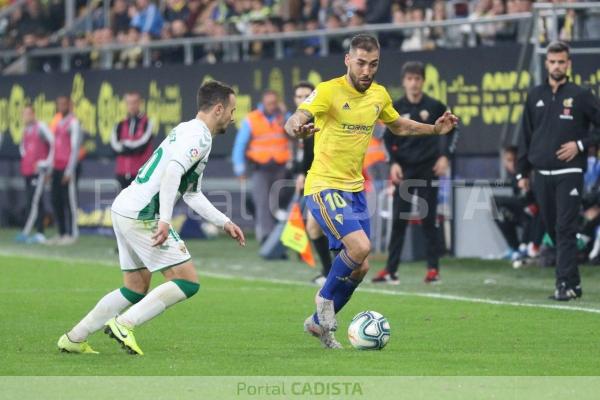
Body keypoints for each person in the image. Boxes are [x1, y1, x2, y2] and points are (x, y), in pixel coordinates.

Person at [284, 34, 458, 348]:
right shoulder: (328, 91)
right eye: (361, 63)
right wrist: (297, 127)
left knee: (361, 266)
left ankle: (317, 323)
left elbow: (399, 125)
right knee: (360, 246)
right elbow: (295, 117)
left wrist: (434, 129)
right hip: (323, 185)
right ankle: (324, 299)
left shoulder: (378, 95)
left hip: (354, 190)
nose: (367, 70)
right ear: (348, 60)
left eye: (373, 64)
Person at [57, 81, 246, 355]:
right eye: (232, 109)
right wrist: (165, 220)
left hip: (125, 206)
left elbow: (192, 193)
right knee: (188, 281)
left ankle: (74, 338)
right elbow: (171, 172)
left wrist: (224, 222)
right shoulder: (201, 137)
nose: (233, 116)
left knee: (136, 286)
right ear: (218, 109)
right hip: (142, 213)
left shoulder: (186, 130)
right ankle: (125, 323)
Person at [517, 41, 600, 301]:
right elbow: (526, 136)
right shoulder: (535, 95)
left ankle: (562, 284)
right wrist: (522, 173)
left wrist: (580, 144)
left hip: (570, 172)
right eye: (552, 62)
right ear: (546, 64)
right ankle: (574, 283)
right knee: (555, 231)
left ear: (569, 64)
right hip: (541, 174)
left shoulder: (581, 94)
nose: (556, 66)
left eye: (561, 62)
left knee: (565, 227)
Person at [372, 61, 459, 285]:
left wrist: (445, 156)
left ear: (423, 81)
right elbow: (386, 138)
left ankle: (433, 269)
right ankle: (391, 271)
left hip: (428, 168)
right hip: (405, 170)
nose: (413, 83)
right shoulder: (396, 107)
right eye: (409, 79)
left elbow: (452, 130)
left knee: (429, 220)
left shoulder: (435, 106)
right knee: (399, 222)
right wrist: (392, 162)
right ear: (404, 82)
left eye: (417, 79)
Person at [232, 89, 291, 244]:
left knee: (278, 202)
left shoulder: (284, 117)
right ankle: (266, 236)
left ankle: (280, 237)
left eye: (274, 103)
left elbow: (294, 135)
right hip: (260, 168)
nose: (272, 106)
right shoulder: (252, 119)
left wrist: (285, 118)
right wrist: (240, 168)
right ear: (263, 104)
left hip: (281, 168)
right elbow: (240, 144)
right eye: (269, 103)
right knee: (262, 201)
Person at [292, 81, 332, 286]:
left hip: (329, 180)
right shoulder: (299, 125)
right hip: (313, 181)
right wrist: (300, 173)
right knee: (314, 228)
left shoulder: (322, 120)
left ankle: (337, 272)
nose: (302, 100)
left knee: (323, 228)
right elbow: (303, 156)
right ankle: (329, 272)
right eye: (299, 96)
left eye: (306, 96)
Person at [493, 145, 543, 262]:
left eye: (515, 160)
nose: (513, 164)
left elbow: (528, 200)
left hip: (535, 214)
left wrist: (498, 200)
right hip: (523, 214)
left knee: (532, 210)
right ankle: (515, 249)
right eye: (509, 160)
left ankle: (528, 248)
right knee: (499, 213)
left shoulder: (529, 174)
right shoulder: (514, 178)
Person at [16, 104, 54, 244]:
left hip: (38, 172)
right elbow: (23, 148)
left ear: (33, 114)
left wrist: (46, 163)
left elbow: (53, 142)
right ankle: (38, 232)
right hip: (27, 171)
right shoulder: (26, 130)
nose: (25, 117)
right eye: (23, 114)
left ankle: (29, 232)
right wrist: (26, 158)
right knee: (34, 201)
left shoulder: (41, 127)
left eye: (27, 113)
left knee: (35, 201)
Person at [50, 96, 81, 245]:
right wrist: (51, 168)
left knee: (70, 202)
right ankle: (62, 233)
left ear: (70, 105)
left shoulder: (73, 123)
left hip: (68, 168)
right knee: (56, 200)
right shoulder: (58, 123)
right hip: (56, 167)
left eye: (64, 104)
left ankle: (73, 233)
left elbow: (75, 148)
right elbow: (54, 148)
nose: (61, 106)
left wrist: (69, 170)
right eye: (59, 103)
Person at [110, 91, 154, 190]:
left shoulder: (147, 122)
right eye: (129, 103)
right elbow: (114, 147)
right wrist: (129, 148)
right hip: (121, 173)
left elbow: (142, 146)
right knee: (122, 204)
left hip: (141, 174)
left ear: (140, 103)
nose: (132, 106)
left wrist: (125, 144)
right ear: (125, 104)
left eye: (134, 102)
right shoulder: (119, 124)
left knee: (141, 204)